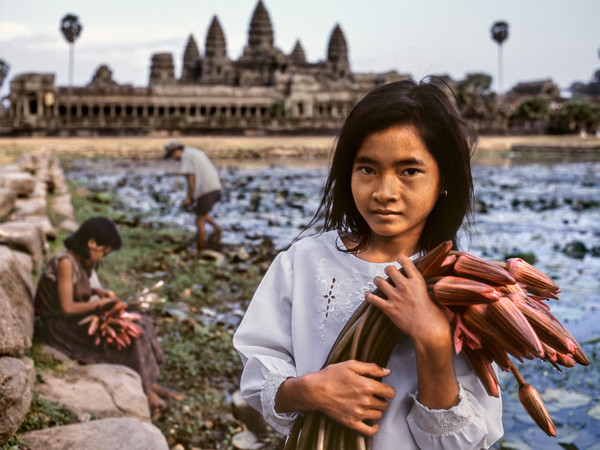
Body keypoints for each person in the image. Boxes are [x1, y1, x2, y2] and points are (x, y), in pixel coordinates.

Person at [233, 79, 504, 448]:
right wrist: (308, 390)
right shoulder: (304, 262)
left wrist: (434, 340)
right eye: (367, 169)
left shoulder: (462, 289)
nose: (384, 193)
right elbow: (259, 371)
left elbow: (465, 441)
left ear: (445, 180)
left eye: (409, 171)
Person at [34, 216, 181, 415]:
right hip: (60, 328)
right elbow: (67, 307)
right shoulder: (65, 264)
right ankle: (146, 391)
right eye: (103, 253)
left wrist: (97, 293)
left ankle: (149, 381)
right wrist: (100, 305)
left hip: (70, 321)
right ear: (92, 243)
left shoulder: (81, 264)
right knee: (130, 338)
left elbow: (76, 292)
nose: (102, 259)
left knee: (141, 321)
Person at [164, 140, 222, 254]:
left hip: (207, 189)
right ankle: (217, 229)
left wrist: (188, 198)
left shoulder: (186, 157)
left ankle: (200, 249)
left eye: (172, 155)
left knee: (199, 220)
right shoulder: (193, 152)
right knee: (201, 213)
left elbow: (191, 180)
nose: (173, 158)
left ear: (177, 151)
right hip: (214, 186)